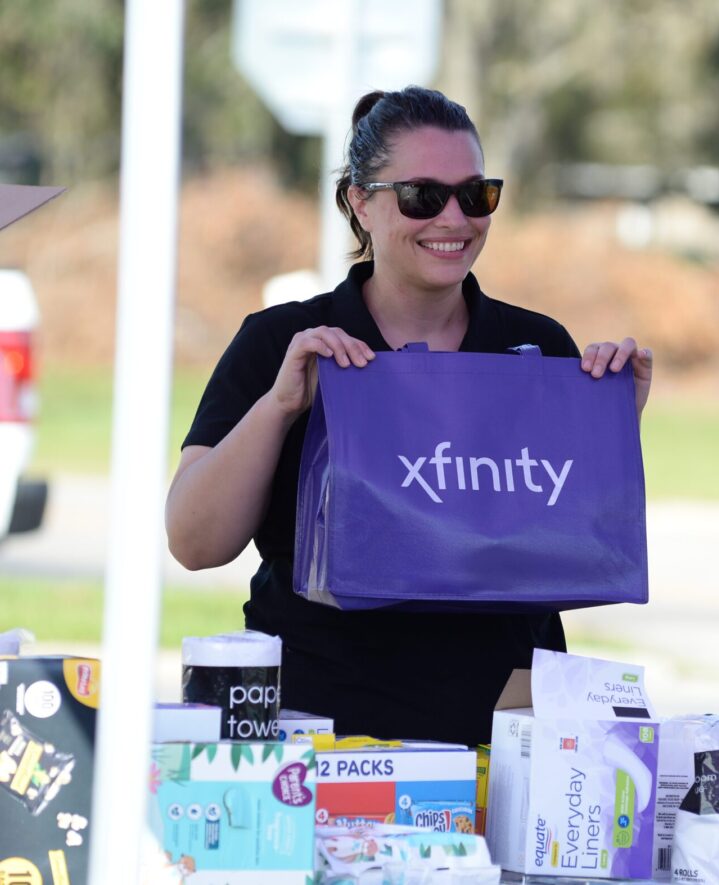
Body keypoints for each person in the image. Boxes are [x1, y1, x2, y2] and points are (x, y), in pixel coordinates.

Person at [166, 86, 653, 746]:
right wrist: (280, 406)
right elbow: (194, 542)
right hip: (320, 730)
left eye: (475, 195)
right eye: (423, 196)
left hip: (503, 738)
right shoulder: (283, 340)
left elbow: (565, 549)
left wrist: (609, 426)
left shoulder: (535, 349)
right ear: (360, 202)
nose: (453, 218)